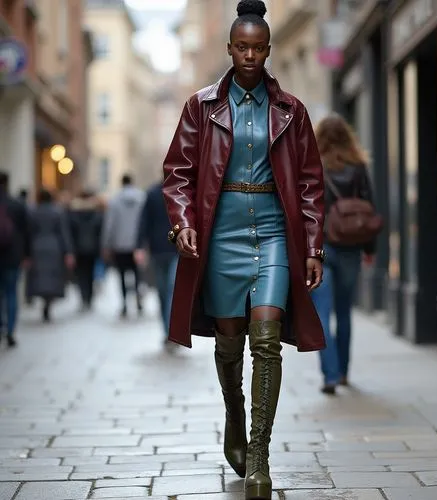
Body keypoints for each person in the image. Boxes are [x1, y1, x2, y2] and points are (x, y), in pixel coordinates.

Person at [162, 1, 325, 498]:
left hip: (275, 234)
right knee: (230, 341)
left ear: (269, 50)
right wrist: (184, 222)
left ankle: (259, 455)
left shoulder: (291, 111)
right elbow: (178, 174)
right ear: (229, 48)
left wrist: (314, 244)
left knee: (267, 338)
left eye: (258, 48)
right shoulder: (201, 106)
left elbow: (312, 182)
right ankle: (235, 409)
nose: (250, 55)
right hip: (221, 238)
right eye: (242, 46)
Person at [311, 113, 376, 394]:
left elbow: (308, 210)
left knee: (322, 313)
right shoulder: (359, 167)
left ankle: (330, 375)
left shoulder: (314, 166)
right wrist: (370, 249)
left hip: (321, 247)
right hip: (351, 247)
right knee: (345, 312)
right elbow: (369, 210)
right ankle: (345, 373)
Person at [135, 180, 178, 347]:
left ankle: (171, 332)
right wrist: (139, 246)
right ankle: (168, 331)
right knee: (163, 291)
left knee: (170, 289)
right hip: (160, 250)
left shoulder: (177, 190)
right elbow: (144, 221)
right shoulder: (153, 193)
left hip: (173, 250)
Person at [26, 189, 75, 322]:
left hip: (37, 247)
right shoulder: (57, 212)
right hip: (54, 248)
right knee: (53, 277)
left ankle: (44, 300)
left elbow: (29, 233)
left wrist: (26, 253)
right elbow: (64, 233)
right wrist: (68, 252)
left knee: (40, 277)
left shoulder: (33, 212)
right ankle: (49, 301)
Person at [101, 174, 145, 318]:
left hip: (119, 245)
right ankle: (138, 296)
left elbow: (109, 224)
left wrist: (106, 244)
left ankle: (125, 304)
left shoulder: (114, 200)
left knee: (121, 276)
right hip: (137, 244)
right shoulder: (142, 198)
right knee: (137, 273)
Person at [0, 172, 31, 346]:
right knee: (11, 293)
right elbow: (26, 233)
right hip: (12, 257)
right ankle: (10, 330)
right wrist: (26, 254)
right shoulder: (17, 205)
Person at [69, 189, 103, 311]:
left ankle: (83, 297)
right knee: (90, 274)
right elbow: (100, 232)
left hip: (78, 249)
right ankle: (89, 298)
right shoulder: (96, 213)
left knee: (81, 274)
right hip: (92, 248)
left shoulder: (73, 213)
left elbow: (70, 233)